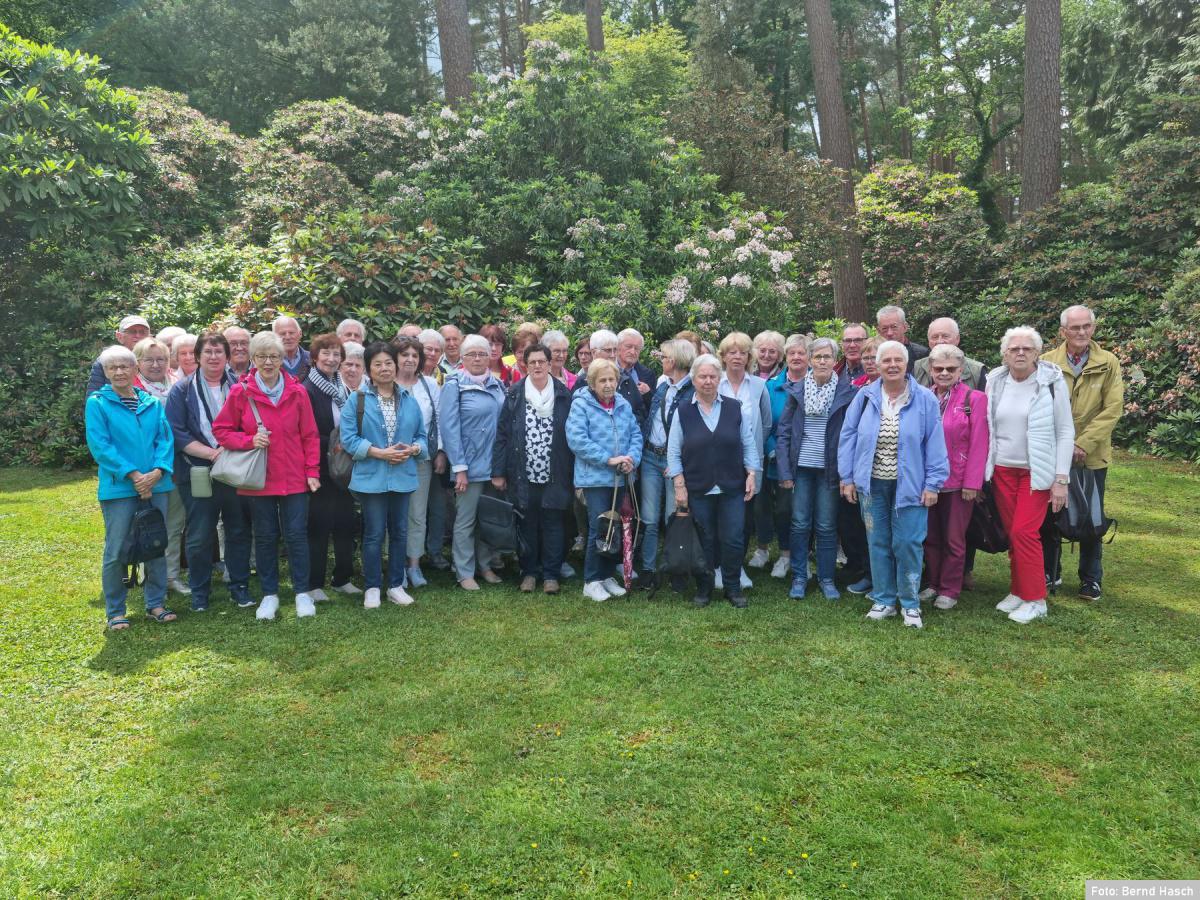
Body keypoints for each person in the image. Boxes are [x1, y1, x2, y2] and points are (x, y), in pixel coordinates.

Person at [838, 340, 949, 629]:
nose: (891, 365)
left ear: (907, 363)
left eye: (897, 360)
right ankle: (884, 599)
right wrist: (847, 478)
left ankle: (910, 604)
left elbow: (935, 443)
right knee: (878, 542)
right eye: (885, 360)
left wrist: (934, 484)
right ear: (876, 363)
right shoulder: (865, 397)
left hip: (910, 485)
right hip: (871, 485)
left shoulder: (924, 398)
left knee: (908, 543)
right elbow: (848, 436)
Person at [212, 330, 322, 621]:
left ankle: (302, 593)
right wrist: (249, 441)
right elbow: (221, 431)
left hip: (295, 476)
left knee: (297, 536)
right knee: (264, 537)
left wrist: (312, 471)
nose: (269, 362)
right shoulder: (241, 391)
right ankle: (270, 594)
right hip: (258, 478)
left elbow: (310, 436)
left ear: (283, 358)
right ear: (252, 358)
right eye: (262, 356)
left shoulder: (298, 391)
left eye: (274, 356)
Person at [985, 326, 1075, 623]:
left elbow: (1064, 431)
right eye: (1014, 349)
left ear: (1037, 352)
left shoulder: (1051, 381)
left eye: (1027, 348)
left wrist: (1061, 479)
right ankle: (1018, 590)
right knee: (1013, 534)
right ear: (1005, 354)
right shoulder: (995, 381)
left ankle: (1036, 598)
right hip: (1003, 471)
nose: (1020, 353)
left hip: (1036, 472)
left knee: (1025, 532)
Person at [86, 345, 177, 630]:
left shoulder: (150, 402)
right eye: (112, 368)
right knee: (116, 551)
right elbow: (101, 446)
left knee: (156, 545)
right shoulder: (98, 403)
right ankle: (115, 611)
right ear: (106, 372)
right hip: (119, 488)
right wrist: (135, 475)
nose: (119, 372)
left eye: (124, 366)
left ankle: (156, 603)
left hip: (157, 485)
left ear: (135, 370)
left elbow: (165, 440)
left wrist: (157, 472)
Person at [1040, 305, 1124, 601]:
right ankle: (1050, 572)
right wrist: (1060, 445)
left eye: (1086, 326)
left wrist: (1082, 443)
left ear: (1093, 328)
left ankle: (1091, 579)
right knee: (1049, 514)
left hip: (1091, 455)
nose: (1081, 332)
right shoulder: (1047, 362)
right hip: (1052, 453)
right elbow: (1039, 407)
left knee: (1091, 517)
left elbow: (1113, 408)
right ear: (1063, 332)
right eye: (1074, 328)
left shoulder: (1108, 362)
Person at [166, 332, 254, 611]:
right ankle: (199, 592)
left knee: (238, 530)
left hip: (234, 469)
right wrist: (212, 453)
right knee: (200, 534)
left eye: (219, 352)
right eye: (208, 352)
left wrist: (231, 450)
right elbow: (176, 432)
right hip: (198, 469)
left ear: (228, 357)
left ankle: (239, 587)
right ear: (197, 356)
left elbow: (250, 424)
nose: (214, 357)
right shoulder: (181, 390)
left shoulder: (241, 387)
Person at [667, 354, 760, 609]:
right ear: (694, 380)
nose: (708, 381)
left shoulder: (734, 407)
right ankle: (704, 587)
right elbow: (674, 451)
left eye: (712, 376)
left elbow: (748, 443)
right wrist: (679, 485)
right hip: (698, 486)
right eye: (702, 377)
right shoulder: (683, 410)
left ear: (719, 379)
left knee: (733, 539)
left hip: (732, 486)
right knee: (705, 539)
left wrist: (752, 473)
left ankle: (732, 587)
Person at [340, 341, 427, 609]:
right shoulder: (358, 399)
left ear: (396, 365)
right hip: (371, 477)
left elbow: (423, 438)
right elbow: (348, 439)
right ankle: (373, 587)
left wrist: (414, 448)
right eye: (377, 364)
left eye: (388, 362)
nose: (384, 368)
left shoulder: (409, 400)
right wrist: (380, 453)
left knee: (400, 532)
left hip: (403, 477)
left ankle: (396, 585)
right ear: (369, 369)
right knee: (375, 533)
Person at [776, 337, 856, 601]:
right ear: (810, 360)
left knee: (825, 525)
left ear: (835, 361)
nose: (822, 361)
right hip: (801, 469)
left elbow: (851, 434)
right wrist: (785, 472)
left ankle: (826, 578)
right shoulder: (796, 391)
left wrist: (848, 474)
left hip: (829, 470)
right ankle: (800, 576)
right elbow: (784, 433)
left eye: (827, 357)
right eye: (817, 356)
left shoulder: (847, 391)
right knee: (799, 524)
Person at [492, 342, 574, 594]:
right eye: (532, 362)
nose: (537, 366)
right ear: (525, 365)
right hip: (522, 473)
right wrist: (498, 472)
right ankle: (528, 572)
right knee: (526, 524)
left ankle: (550, 574)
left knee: (553, 523)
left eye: (542, 361)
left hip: (556, 472)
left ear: (550, 365)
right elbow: (503, 435)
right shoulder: (515, 394)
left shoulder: (563, 395)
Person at [566, 357, 643, 602]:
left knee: (615, 528)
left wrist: (631, 458)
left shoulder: (622, 404)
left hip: (620, 478)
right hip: (595, 478)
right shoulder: (581, 404)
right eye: (603, 380)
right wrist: (608, 459)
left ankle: (607, 575)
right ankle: (591, 580)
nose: (608, 384)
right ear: (592, 382)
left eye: (612, 379)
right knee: (600, 528)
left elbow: (636, 434)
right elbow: (577, 439)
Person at [921, 344, 989, 610]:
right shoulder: (924, 396)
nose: (945, 373)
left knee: (953, 538)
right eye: (939, 368)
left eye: (951, 369)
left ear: (961, 370)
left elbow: (980, 443)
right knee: (930, 536)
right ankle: (933, 583)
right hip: (928, 482)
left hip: (959, 482)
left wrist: (973, 483)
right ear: (930, 370)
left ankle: (950, 588)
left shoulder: (974, 399)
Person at [440, 334, 508, 590]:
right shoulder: (454, 384)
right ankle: (464, 571)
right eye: (472, 354)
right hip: (467, 467)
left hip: (495, 466)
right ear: (463, 358)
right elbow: (449, 428)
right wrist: (459, 468)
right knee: (466, 520)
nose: (478, 359)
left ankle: (486, 564)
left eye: (483, 353)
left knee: (489, 519)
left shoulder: (498, 384)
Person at [303, 333, 360, 601]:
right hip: (320, 467)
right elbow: (306, 430)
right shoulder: (307, 389)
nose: (332, 358)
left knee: (345, 523)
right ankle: (314, 584)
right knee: (319, 526)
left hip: (344, 467)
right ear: (315, 357)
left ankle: (342, 578)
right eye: (326, 353)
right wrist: (338, 442)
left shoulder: (343, 387)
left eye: (336, 354)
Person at [717, 331, 772, 591]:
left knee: (743, 519)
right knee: (719, 516)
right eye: (731, 352)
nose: (737, 357)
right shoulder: (714, 383)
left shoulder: (759, 386)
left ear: (749, 356)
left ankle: (737, 567)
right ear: (723, 356)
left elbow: (767, 423)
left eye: (742, 352)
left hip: (749, 463)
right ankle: (717, 567)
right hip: (718, 462)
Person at [132, 338, 187, 595]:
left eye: (161, 359)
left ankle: (170, 577)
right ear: (137, 363)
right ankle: (147, 579)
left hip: (173, 467)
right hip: (140, 471)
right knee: (144, 525)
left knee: (173, 525)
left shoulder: (177, 385)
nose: (156, 364)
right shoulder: (129, 389)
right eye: (149, 360)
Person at [641, 338, 697, 584]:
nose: (662, 361)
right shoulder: (664, 386)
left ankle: (675, 569)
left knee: (673, 518)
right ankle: (648, 570)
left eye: (664, 357)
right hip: (650, 457)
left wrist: (676, 464)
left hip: (674, 463)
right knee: (650, 518)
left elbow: (693, 434)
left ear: (674, 361)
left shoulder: (693, 392)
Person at [758, 334, 809, 578]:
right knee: (778, 510)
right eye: (792, 353)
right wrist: (773, 452)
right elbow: (765, 425)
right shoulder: (770, 386)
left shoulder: (816, 384)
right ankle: (781, 554)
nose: (797, 357)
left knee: (799, 511)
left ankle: (795, 557)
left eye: (802, 353)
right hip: (775, 460)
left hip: (807, 460)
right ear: (785, 357)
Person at [393, 335, 441, 588]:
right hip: (388, 461)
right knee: (394, 515)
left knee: (417, 515)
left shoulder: (430, 385)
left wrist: (440, 452)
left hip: (421, 459)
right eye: (405, 355)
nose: (410, 359)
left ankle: (414, 565)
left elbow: (439, 421)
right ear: (395, 358)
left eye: (414, 355)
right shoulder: (382, 382)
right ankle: (395, 566)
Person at [572, 330, 646, 427]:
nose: (612, 355)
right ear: (594, 352)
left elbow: (641, 412)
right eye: (607, 350)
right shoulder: (582, 382)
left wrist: (625, 426)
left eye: (615, 350)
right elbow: (576, 422)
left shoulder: (625, 379)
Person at [86, 315, 152, 400]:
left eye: (142, 332)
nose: (138, 335)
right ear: (119, 336)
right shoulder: (105, 361)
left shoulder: (157, 361)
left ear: (149, 336)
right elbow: (93, 396)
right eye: (132, 331)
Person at [913, 317, 987, 390]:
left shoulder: (977, 371)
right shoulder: (917, 367)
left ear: (957, 339)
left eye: (945, 336)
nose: (940, 341)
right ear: (929, 341)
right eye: (935, 337)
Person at [876, 305, 929, 373]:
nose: (889, 333)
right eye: (884, 329)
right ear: (878, 331)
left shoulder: (920, 354)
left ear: (905, 327)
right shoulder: (874, 353)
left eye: (894, 327)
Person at [616, 328, 654, 399]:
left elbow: (653, 407)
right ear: (618, 346)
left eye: (637, 348)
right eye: (628, 346)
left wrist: (647, 394)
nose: (633, 352)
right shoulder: (606, 369)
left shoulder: (647, 375)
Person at [272, 315, 310, 380]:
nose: (288, 337)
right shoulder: (267, 363)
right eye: (283, 334)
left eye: (291, 333)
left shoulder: (313, 359)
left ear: (300, 334)